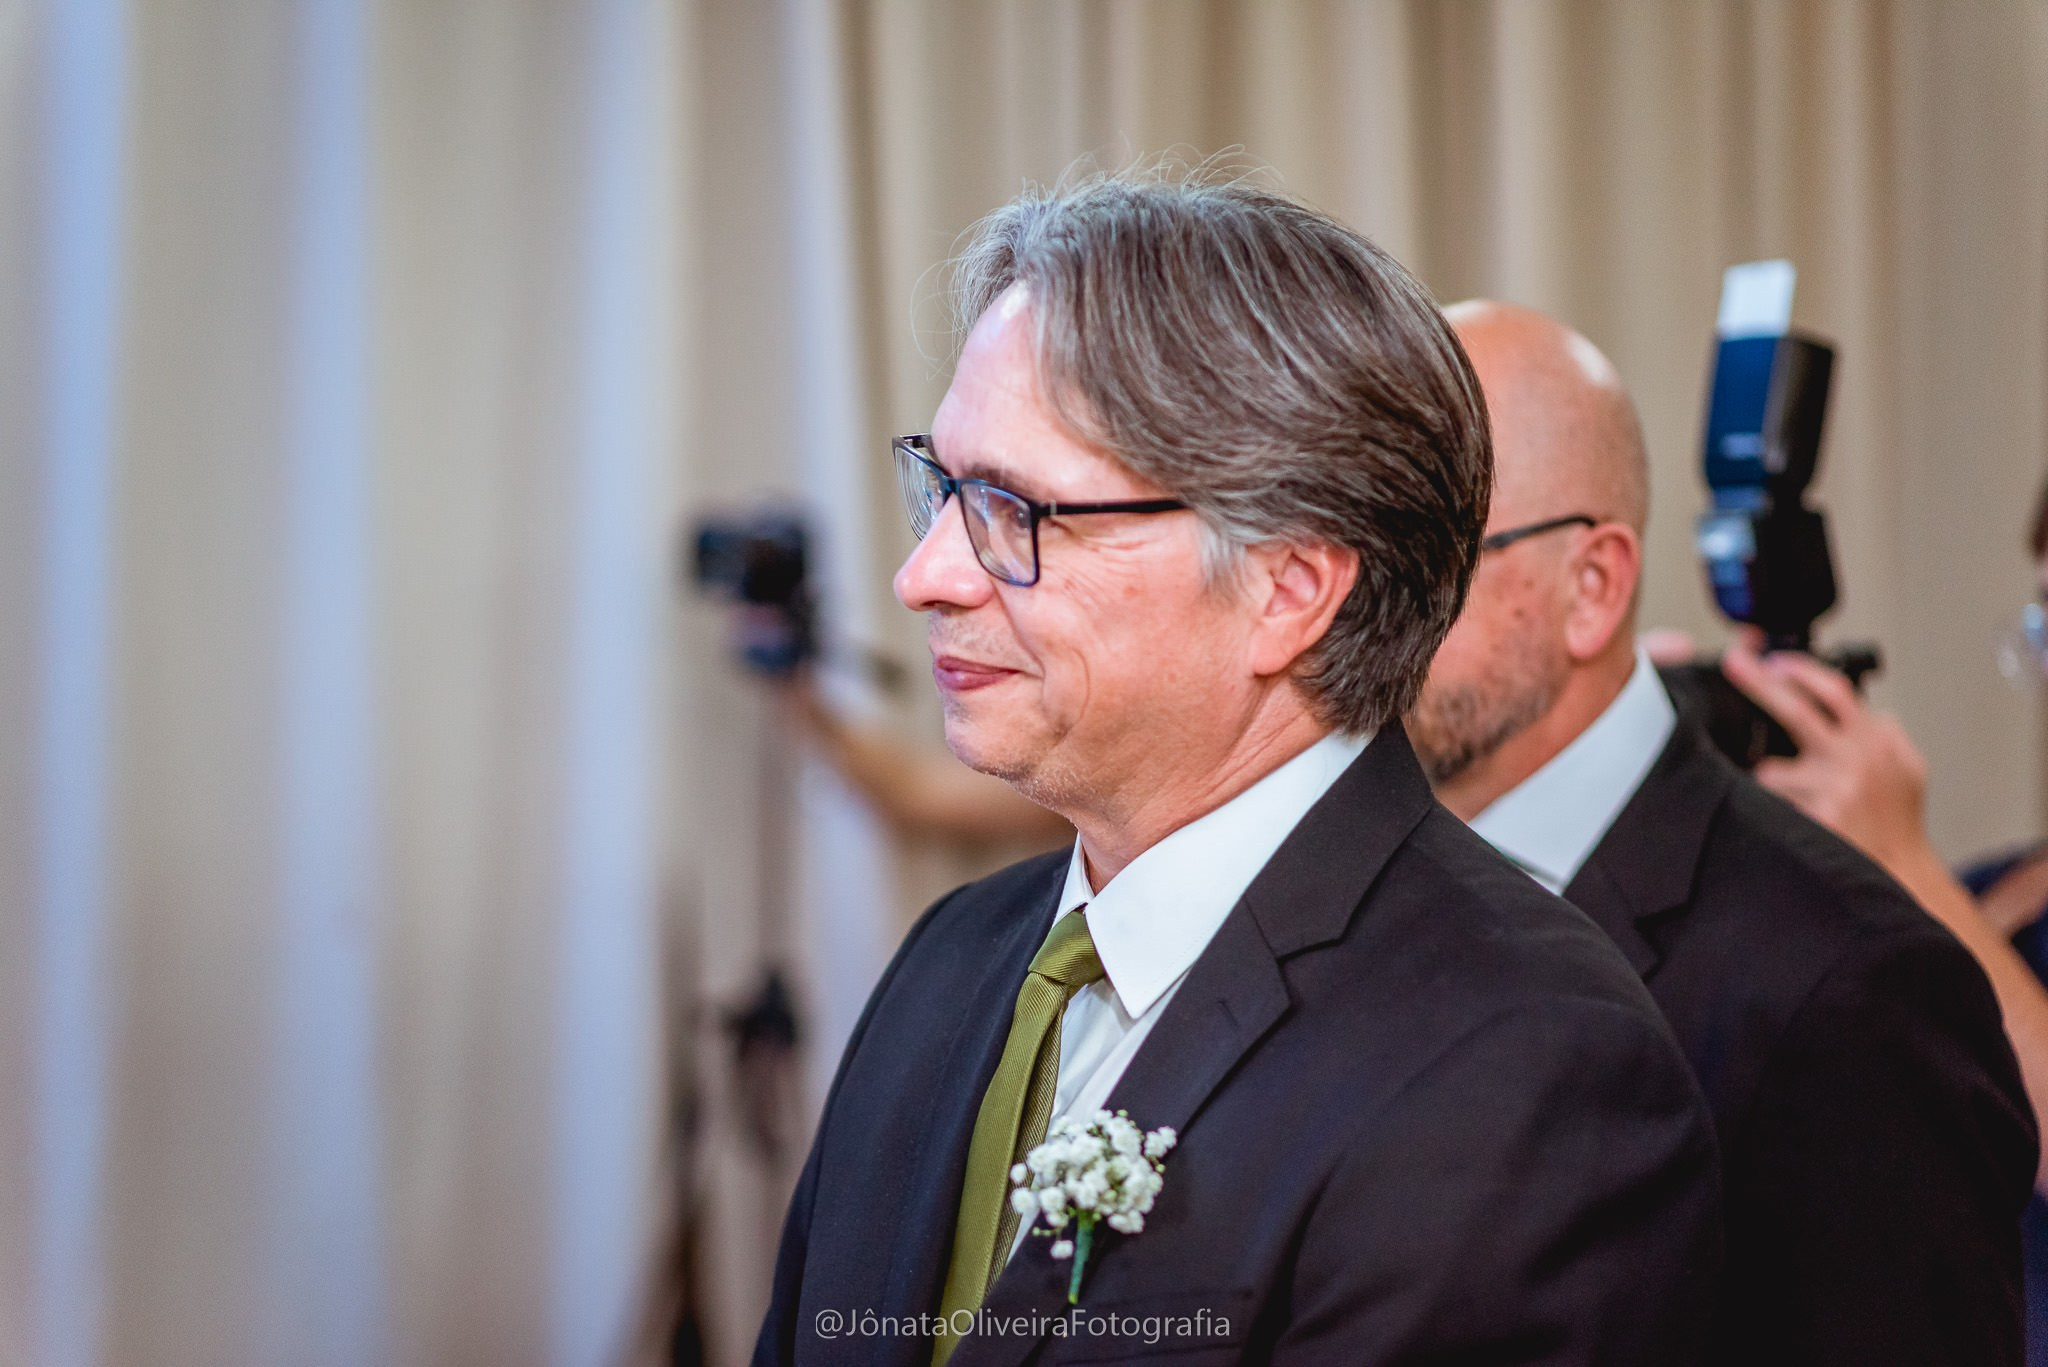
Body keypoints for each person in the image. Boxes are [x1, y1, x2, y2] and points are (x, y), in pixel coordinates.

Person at [755, 174, 1721, 1367]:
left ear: (1286, 588)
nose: (926, 576)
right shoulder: (951, 961)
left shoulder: (1518, 1066)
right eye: (944, 488)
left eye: (1013, 508)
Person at [1408, 299, 2037, 1367]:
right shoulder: (1361, 888)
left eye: (1426, 553)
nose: (1357, 612)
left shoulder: (1842, 987)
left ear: (1592, 587)